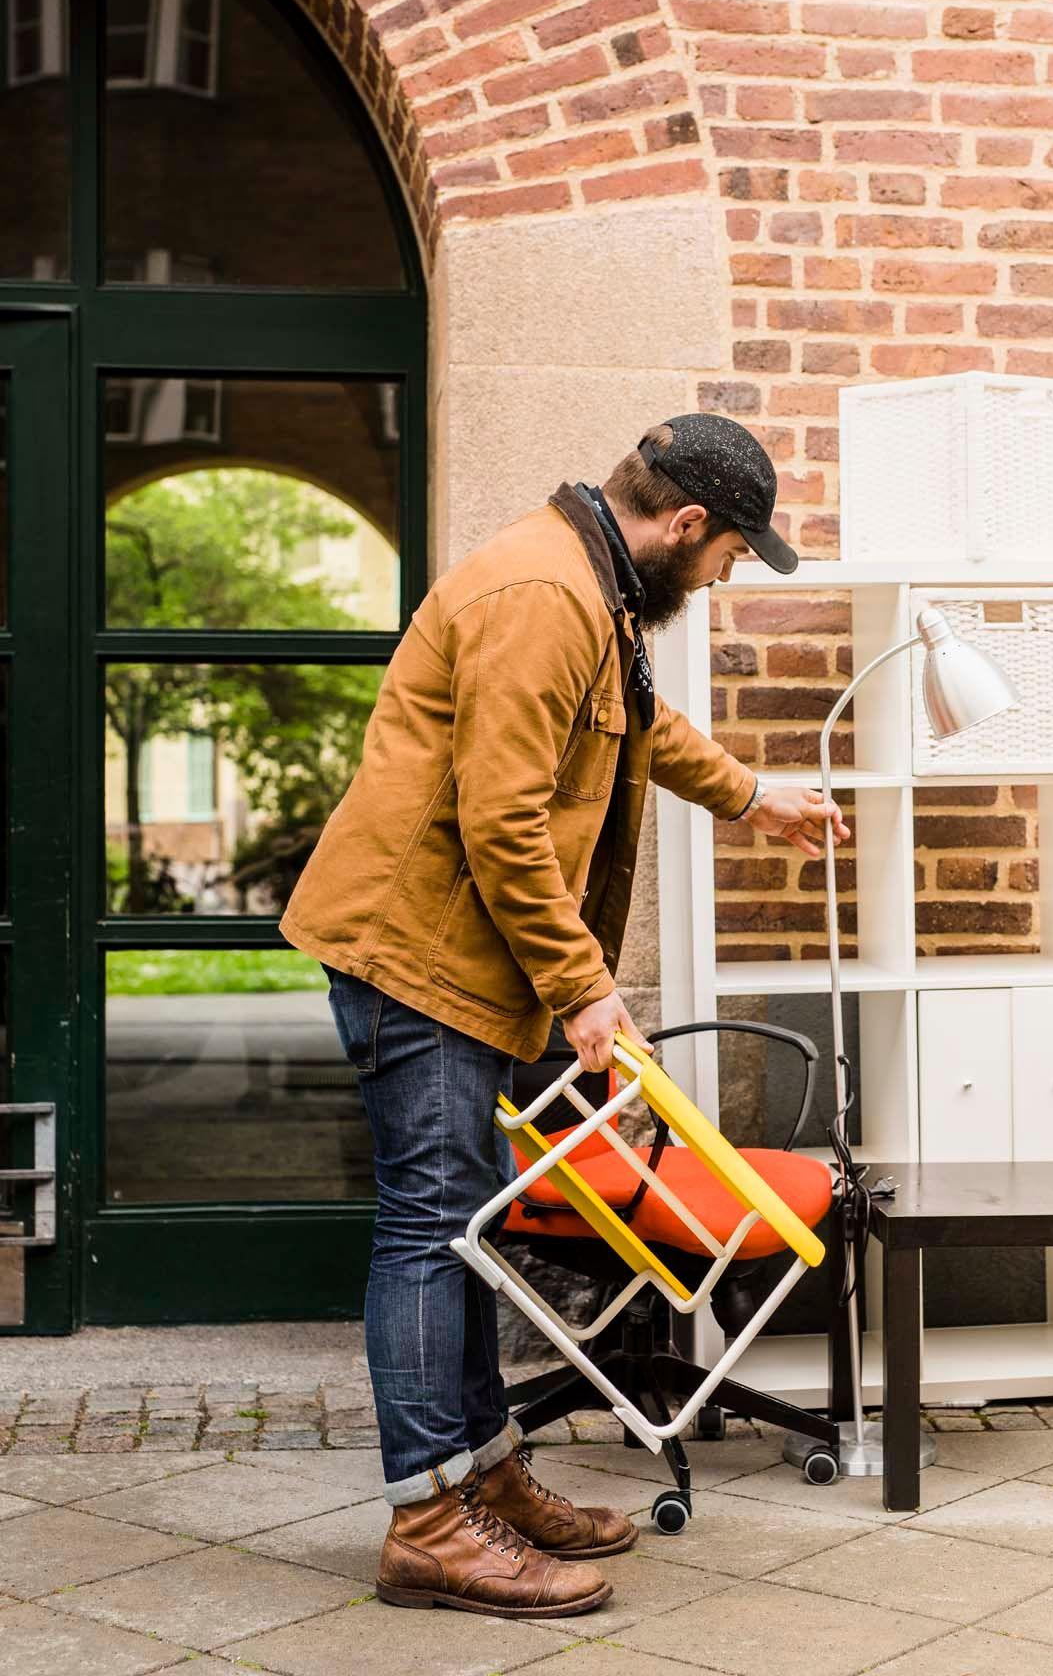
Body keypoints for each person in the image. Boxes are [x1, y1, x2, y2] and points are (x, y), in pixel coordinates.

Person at [280, 414, 849, 1618]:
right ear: (684, 524)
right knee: (433, 1226)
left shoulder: (594, 589)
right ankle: (432, 1523)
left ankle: (485, 1477)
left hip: (457, 957)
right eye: (731, 551)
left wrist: (754, 797)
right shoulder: (544, 595)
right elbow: (503, 825)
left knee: (460, 1222)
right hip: (417, 956)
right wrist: (583, 986)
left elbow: (641, 727)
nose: (729, 572)